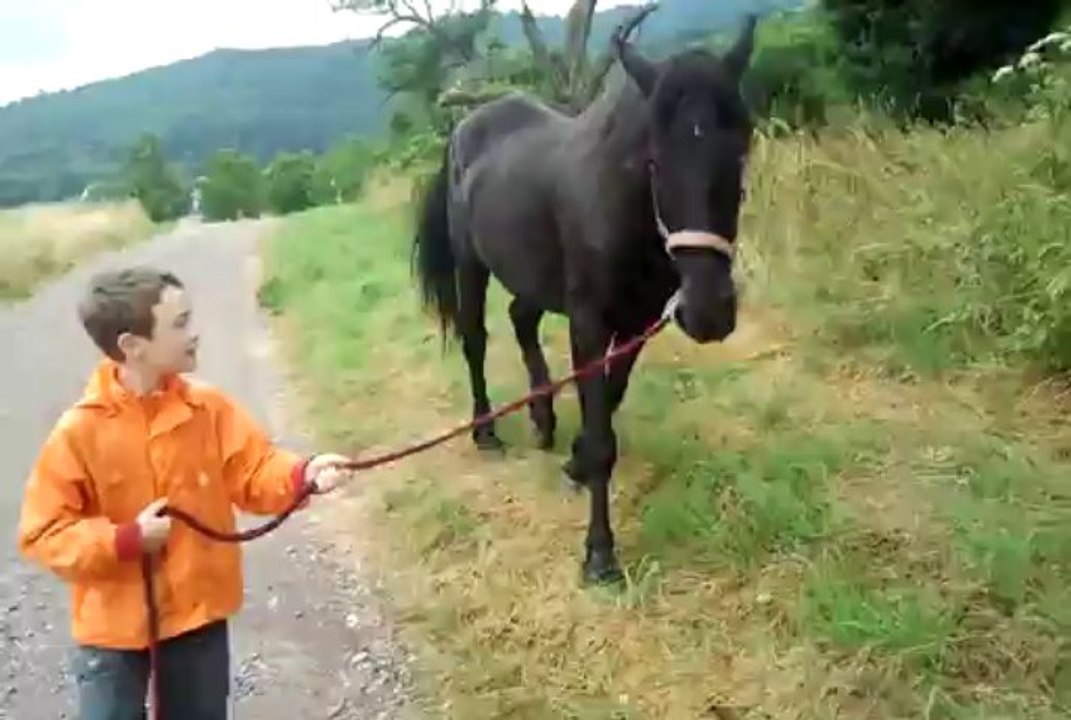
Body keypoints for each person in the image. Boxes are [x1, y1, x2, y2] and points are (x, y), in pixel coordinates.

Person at [16, 266, 353, 720]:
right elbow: (43, 532)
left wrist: (302, 474)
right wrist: (122, 540)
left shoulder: (207, 409)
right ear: (132, 348)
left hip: (197, 619)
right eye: (179, 324)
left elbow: (253, 468)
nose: (194, 334)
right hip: (111, 635)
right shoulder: (80, 432)